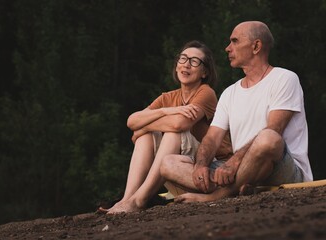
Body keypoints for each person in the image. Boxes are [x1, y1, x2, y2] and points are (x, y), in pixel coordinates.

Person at [160, 21, 313, 203]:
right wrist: (201, 165)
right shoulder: (230, 92)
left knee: (268, 138)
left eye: (234, 41)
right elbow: (212, 138)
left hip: (282, 169)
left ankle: (217, 195)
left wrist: (233, 163)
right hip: (241, 170)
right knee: (168, 163)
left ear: (256, 46)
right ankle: (240, 185)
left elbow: (275, 129)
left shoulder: (285, 78)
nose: (227, 48)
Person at [103, 40, 232, 214]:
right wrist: (166, 110)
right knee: (144, 136)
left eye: (195, 61)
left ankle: (139, 200)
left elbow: (179, 124)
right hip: (178, 167)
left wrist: (145, 125)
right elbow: (132, 121)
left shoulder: (205, 92)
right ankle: (128, 199)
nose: (186, 65)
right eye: (183, 59)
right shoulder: (168, 98)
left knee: (172, 133)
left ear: (204, 72)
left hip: (211, 165)